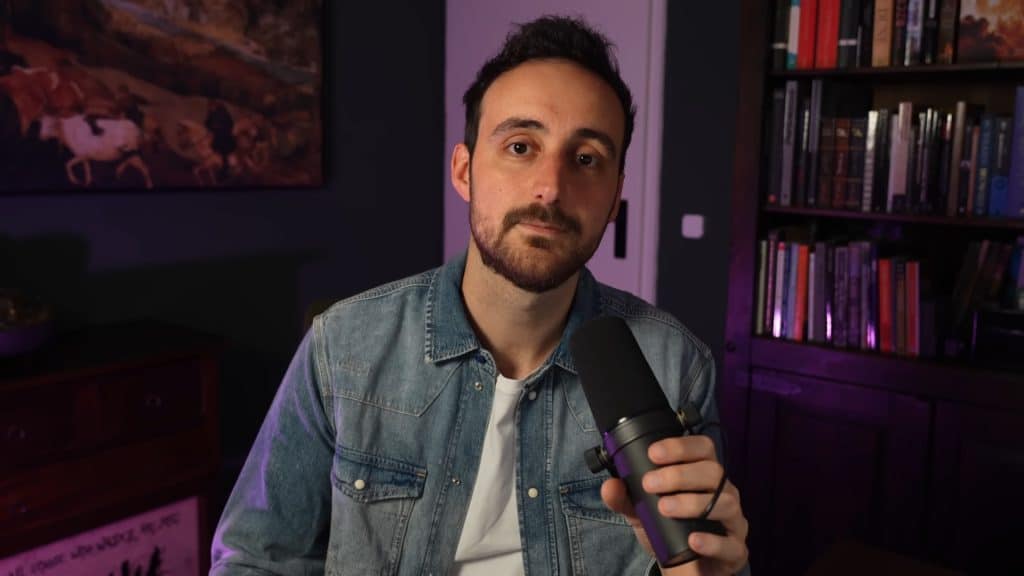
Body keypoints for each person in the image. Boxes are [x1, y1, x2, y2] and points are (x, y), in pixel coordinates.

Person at [211, 15, 750, 576]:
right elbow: (254, 559)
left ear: (614, 199)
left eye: (586, 158)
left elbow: (701, 558)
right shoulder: (342, 347)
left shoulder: (676, 367)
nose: (551, 187)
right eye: (521, 146)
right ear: (465, 172)